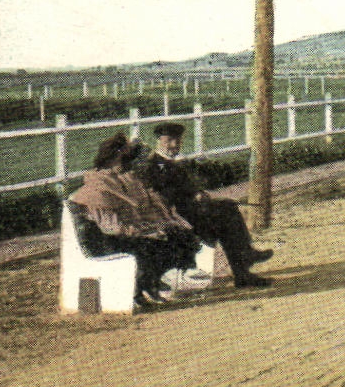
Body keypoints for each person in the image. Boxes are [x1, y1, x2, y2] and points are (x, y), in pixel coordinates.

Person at [67, 134, 205, 309]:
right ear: (112, 159)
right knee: (155, 244)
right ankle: (141, 290)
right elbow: (112, 228)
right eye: (124, 159)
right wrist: (147, 232)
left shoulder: (117, 181)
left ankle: (150, 285)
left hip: (122, 235)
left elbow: (135, 216)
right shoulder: (99, 188)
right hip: (107, 241)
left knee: (176, 236)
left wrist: (155, 228)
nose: (128, 164)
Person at [138, 122, 273, 288]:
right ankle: (244, 265)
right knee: (226, 214)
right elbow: (160, 196)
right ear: (159, 140)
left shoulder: (173, 162)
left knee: (227, 210)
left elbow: (186, 186)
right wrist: (193, 196)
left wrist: (198, 193)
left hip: (189, 211)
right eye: (170, 141)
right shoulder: (154, 165)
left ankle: (244, 268)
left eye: (178, 141)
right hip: (176, 216)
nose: (174, 145)